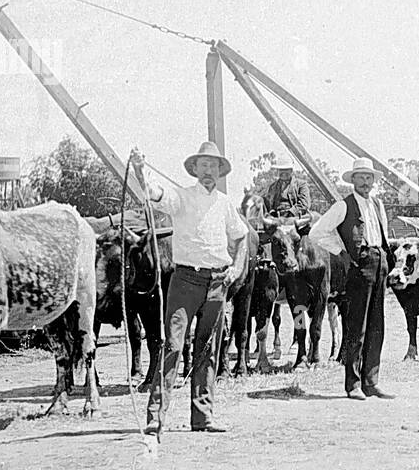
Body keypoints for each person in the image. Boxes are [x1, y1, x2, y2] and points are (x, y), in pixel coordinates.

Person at [129, 142, 249, 434]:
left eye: (214, 166)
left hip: (218, 283)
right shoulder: (181, 197)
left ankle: (203, 417)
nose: (209, 171)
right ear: (194, 169)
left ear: (220, 171)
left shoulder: (224, 203)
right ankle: (156, 418)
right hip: (185, 282)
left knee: (208, 349)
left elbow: (242, 236)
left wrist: (236, 267)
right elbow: (154, 193)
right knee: (172, 345)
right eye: (203, 165)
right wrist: (139, 169)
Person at [310, 157, 395, 400]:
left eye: (369, 178)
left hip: (380, 263)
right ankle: (353, 384)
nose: (365, 182)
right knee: (356, 325)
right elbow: (318, 233)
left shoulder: (378, 205)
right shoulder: (343, 206)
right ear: (353, 180)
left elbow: (382, 234)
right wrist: (342, 252)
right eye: (361, 177)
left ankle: (371, 382)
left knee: (377, 324)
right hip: (360, 265)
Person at [264, 155, 310, 219]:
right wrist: (272, 213)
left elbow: (304, 204)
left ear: (291, 170)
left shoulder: (301, 185)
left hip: (295, 218)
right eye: (281, 170)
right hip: (276, 219)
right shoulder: (272, 187)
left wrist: (291, 213)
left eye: (286, 169)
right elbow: (268, 205)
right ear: (278, 171)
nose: (283, 172)